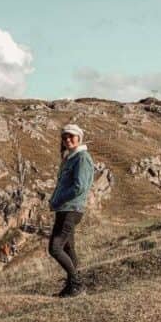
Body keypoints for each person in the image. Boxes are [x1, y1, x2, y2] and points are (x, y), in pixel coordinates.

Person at [48, 123, 94, 297]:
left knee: (55, 248)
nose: (67, 139)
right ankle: (71, 287)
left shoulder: (82, 157)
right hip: (65, 208)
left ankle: (77, 284)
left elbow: (79, 186)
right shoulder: (71, 158)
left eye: (71, 136)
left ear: (79, 138)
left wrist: (57, 200)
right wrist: (54, 200)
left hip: (71, 209)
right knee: (68, 248)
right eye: (64, 137)